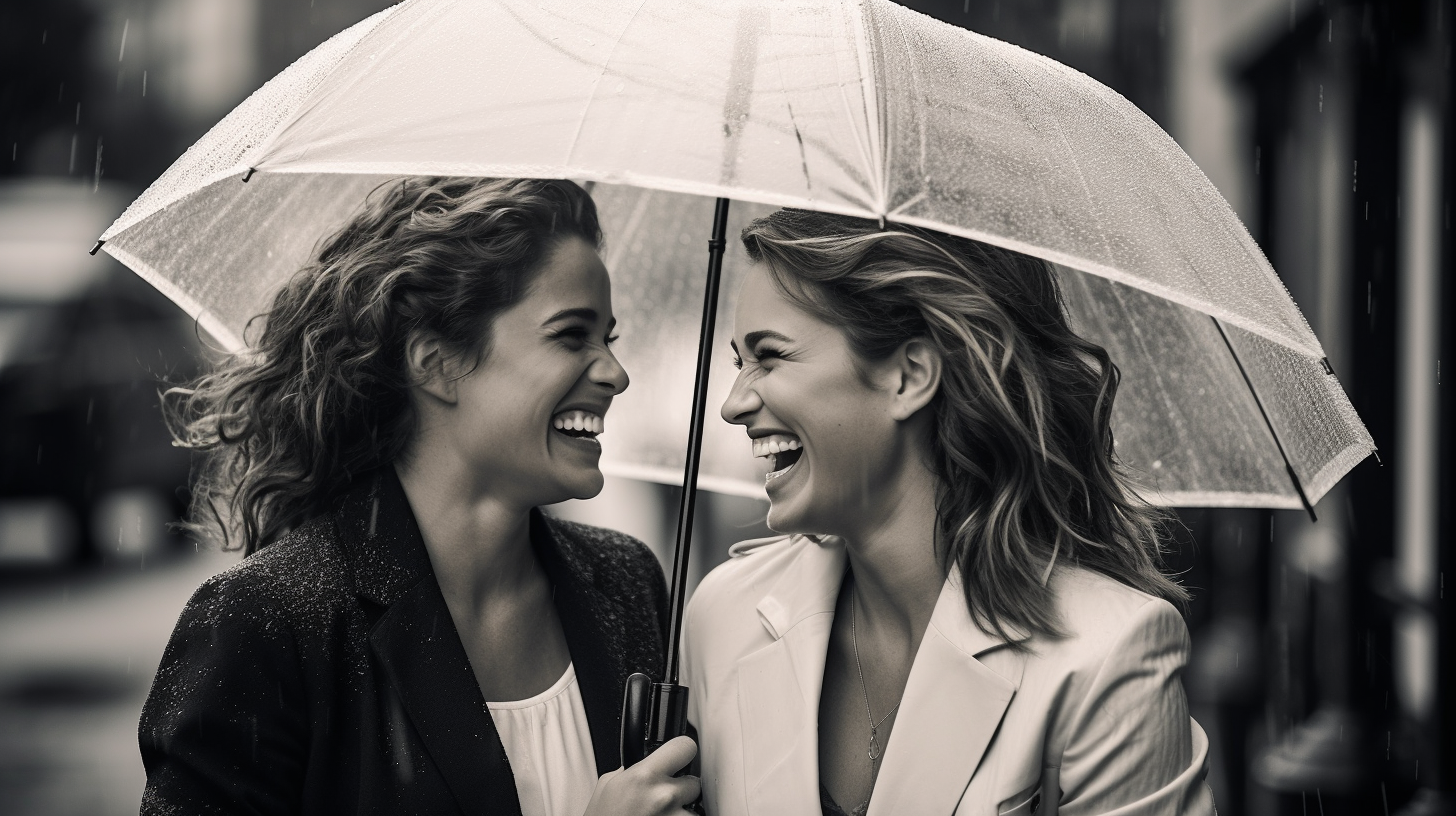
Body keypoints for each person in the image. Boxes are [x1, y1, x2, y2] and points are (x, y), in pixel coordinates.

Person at [141, 177, 698, 816]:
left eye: (611, 339)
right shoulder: (269, 623)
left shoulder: (628, 584)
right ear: (435, 363)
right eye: (573, 336)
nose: (615, 372)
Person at [682, 209, 1215, 815]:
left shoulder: (1106, 658)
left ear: (909, 376)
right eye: (736, 362)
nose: (732, 403)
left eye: (770, 356)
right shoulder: (722, 619)